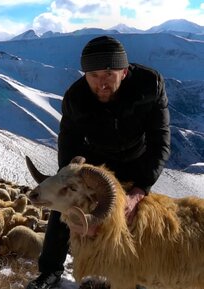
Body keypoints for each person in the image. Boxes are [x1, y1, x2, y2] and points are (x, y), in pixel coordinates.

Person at [27, 36, 170, 289]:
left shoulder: (150, 86)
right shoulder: (75, 97)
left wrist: (139, 190)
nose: (101, 83)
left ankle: (133, 276)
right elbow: (68, 142)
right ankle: (49, 271)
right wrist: (68, 180)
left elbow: (160, 142)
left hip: (136, 162)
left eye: (108, 74)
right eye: (93, 75)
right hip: (94, 162)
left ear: (124, 72)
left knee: (136, 217)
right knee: (65, 210)